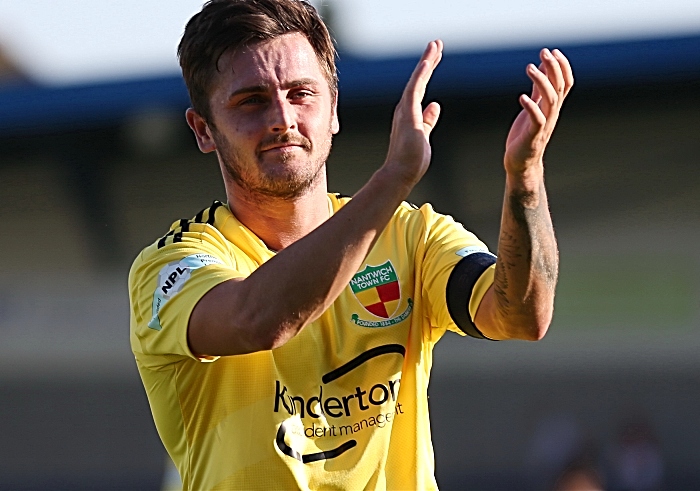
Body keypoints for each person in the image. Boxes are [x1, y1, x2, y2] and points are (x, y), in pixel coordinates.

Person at [128, 0, 573, 489]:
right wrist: (393, 178)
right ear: (203, 130)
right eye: (251, 101)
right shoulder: (172, 265)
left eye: (301, 94)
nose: (282, 118)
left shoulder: (410, 235)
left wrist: (525, 179)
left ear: (333, 110)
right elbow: (257, 320)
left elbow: (521, 316)